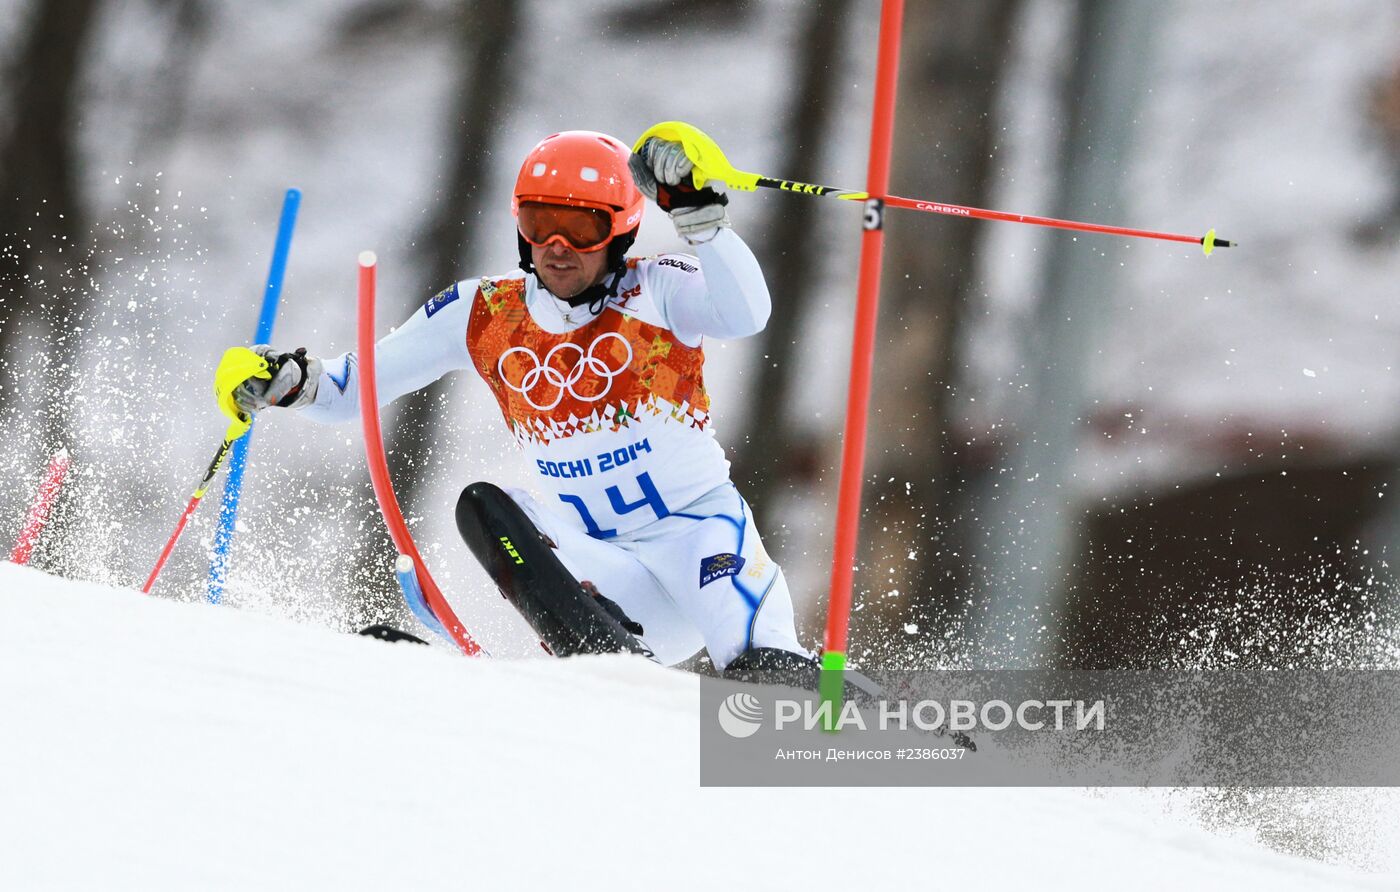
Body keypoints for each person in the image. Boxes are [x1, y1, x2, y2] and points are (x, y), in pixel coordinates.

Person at [217, 129, 813, 678]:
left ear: (621, 232)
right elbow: (348, 389)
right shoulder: (484, 311)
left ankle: (823, 727)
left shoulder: (658, 287)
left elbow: (746, 314)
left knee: (765, 675)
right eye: (538, 223)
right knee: (488, 508)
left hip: (700, 541)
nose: (556, 247)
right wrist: (286, 379)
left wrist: (703, 225)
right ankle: (600, 670)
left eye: (580, 229)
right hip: (601, 573)